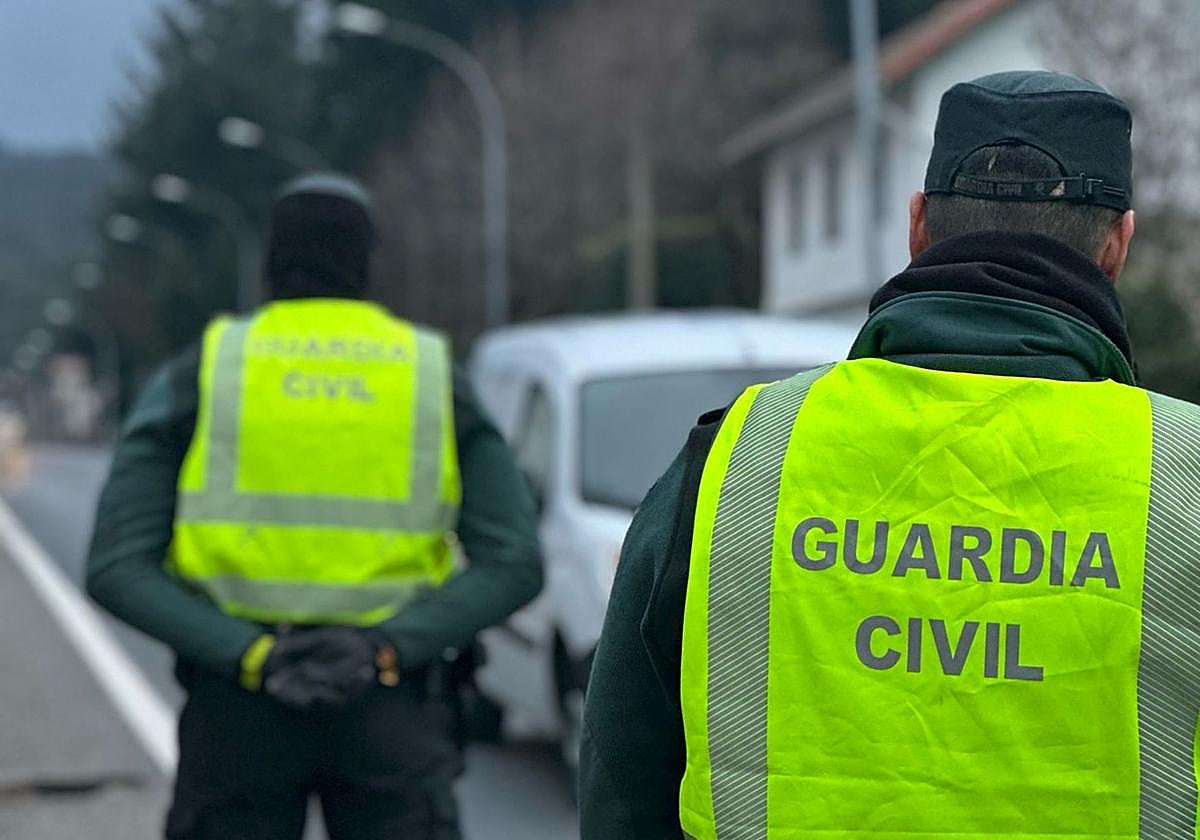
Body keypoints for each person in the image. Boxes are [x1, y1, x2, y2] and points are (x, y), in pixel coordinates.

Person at [580, 70, 1200, 838]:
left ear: (917, 227)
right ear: (1118, 245)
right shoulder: (1186, 478)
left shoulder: (738, 458)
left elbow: (621, 774)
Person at [87, 172, 542, 840]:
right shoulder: (427, 373)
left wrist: (253, 655)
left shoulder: (206, 371)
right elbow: (514, 561)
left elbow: (117, 565)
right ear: (364, 263)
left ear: (271, 261)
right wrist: (384, 648)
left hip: (238, 714)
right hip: (390, 708)